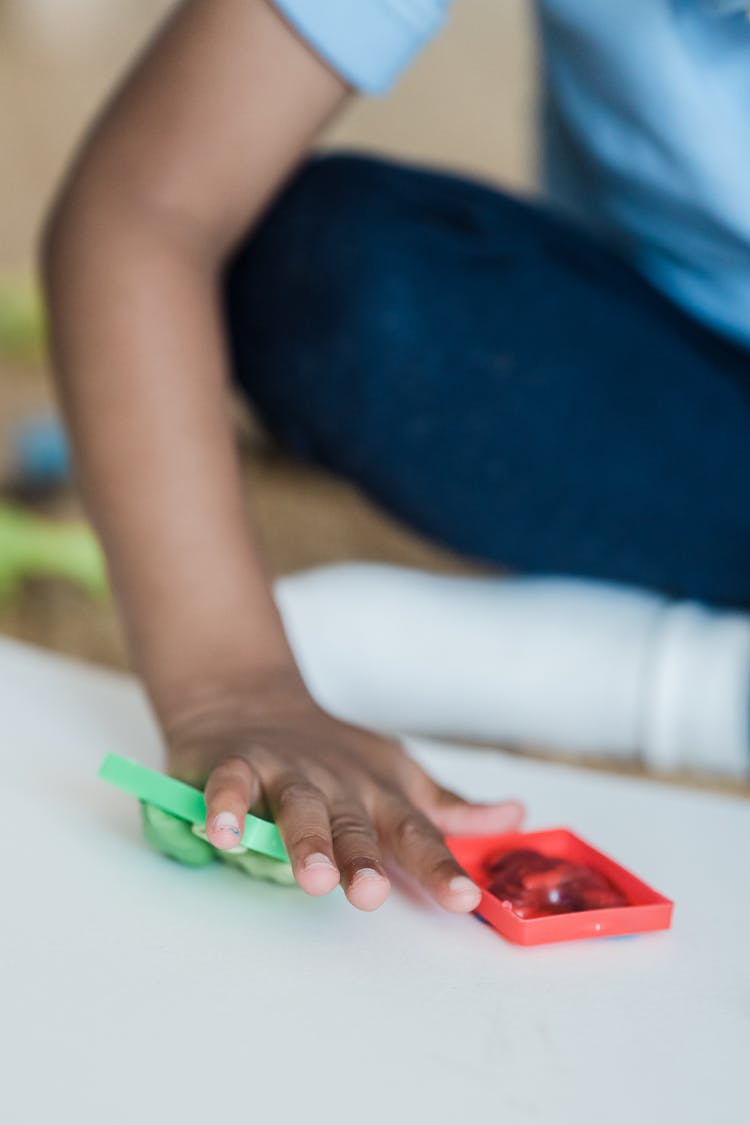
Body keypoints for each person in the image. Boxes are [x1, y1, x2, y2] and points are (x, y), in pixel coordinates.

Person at [42, 0, 750, 913]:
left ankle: (692, 686)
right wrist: (228, 678)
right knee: (330, 275)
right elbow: (150, 204)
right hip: (683, 383)